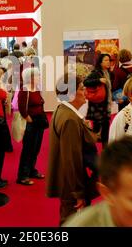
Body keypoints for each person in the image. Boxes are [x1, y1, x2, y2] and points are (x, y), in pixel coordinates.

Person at [47, 73, 99, 225]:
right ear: (70, 93)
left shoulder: (63, 111)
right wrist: (78, 193)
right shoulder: (70, 119)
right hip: (71, 186)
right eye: (82, 89)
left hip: (68, 183)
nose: (86, 93)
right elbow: (71, 159)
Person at [16, 67, 48, 186]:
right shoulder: (25, 90)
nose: (39, 77)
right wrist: (27, 118)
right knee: (28, 149)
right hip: (31, 122)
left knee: (36, 148)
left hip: (39, 121)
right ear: (30, 78)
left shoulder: (36, 89)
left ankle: (31, 170)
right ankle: (22, 175)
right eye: (37, 75)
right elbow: (21, 107)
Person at [84, 53, 112, 148]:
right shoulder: (96, 73)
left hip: (105, 104)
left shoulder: (109, 73)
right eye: (106, 60)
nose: (108, 62)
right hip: (97, 105)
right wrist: (98, 80)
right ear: (100, 62)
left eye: (109, 60)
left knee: (105, 127)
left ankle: (104, 148)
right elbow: (86, 82)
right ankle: (91, 148)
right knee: (97, 128)